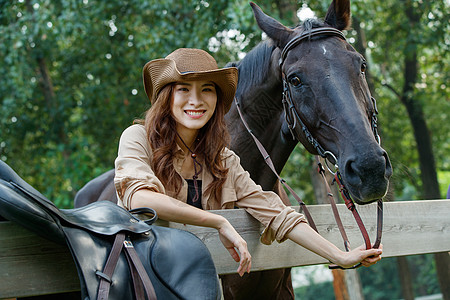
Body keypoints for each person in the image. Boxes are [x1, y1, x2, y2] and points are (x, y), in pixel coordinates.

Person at [114, 48, 382, 278]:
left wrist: (338, 254)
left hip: (198, 282)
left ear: (217, 100)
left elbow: (275, 212)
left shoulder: (222, 159)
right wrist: (218, 222)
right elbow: (140, 199)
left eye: (206, 89)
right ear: (166, 96)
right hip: (145, 279)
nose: (196, 100)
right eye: (184, 89)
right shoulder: (138, 138)